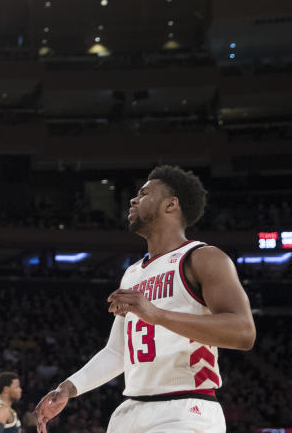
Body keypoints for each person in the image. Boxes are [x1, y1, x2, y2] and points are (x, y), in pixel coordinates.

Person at [34, 165, 256, 433]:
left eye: (144, 193)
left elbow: (244, 333)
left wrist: (158, 315)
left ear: (171, 204)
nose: (133, 199)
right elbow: (117, 352)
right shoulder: (132, 273)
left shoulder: (202, 258)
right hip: (130, 411)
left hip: (186, 409)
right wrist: (69, 387)